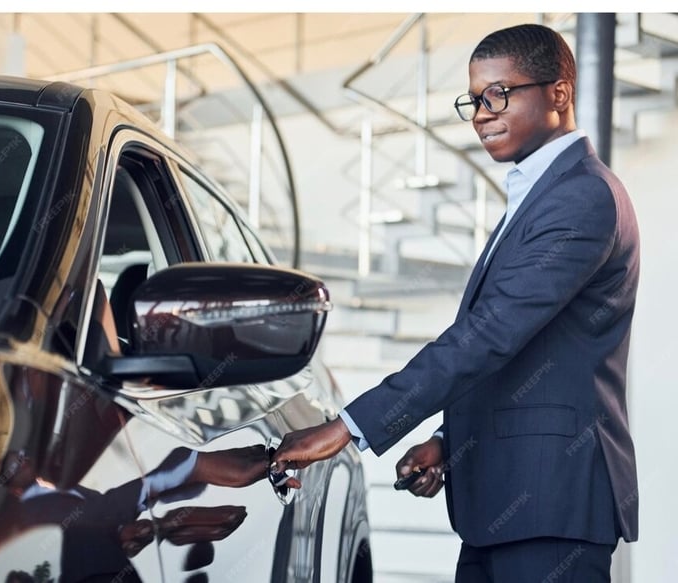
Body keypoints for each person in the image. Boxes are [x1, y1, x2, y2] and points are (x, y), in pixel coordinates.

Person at [272, 22, 639, 582]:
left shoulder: (581, 196)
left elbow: (490, 334)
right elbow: (524, 351)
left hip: (550, 506)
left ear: (559, 93)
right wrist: (450, 440)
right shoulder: (545, 192)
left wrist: (349, 426)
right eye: (474, 99)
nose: (481, 115)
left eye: (499, 94)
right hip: (510, 505)